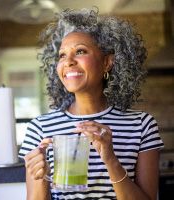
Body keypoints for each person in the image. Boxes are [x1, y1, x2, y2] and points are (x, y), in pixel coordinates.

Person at [18, 8, 164, 200]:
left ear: (107, 62)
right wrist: (40, 177)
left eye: (80, 51)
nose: (68, 62)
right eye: (62, 55)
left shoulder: (142, 126)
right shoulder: (40, 128)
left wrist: (110, 158)